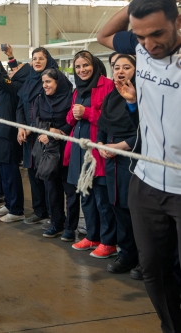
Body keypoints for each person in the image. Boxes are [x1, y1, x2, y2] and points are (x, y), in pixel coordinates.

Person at [97, 1, 181, 331]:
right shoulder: (138, 47)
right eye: (140, 35)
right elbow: (105, 33)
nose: (149, 44)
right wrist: (133, 6)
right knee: (153, 269)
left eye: (157, 33)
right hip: (145, 182)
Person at [65, 51, 117, 259]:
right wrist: (75, 114)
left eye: (85, 65)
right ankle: (93, 236)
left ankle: (108, 241)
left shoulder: (108, 86)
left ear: (94, 65)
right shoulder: (77, 89)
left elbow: (111, 120)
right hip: (81, 151)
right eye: (78, 67)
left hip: (99, 150)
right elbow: (70, 118)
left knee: (102, 200)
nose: (82, 70)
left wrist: (86, 113)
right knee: (86, 196)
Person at [97, 54, 140, 275]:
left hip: (134, 161)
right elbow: (103, 126)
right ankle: (127, 255)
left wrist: (119, 147)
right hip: (112, 162)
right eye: (116, 68)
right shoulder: (111, 98)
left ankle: (144, 259)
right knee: (119, 209)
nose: (120, 71)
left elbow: (145, 133)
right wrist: (102, 144)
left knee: (137, 212)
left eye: (126, 67)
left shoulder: (141, 97)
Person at [31, 68, 80, 240]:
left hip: (67, 147)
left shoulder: (70, 97)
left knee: (70, 190)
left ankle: (70, 227)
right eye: (43, 82)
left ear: (58, 82)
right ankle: (56, 223)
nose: (45, 85)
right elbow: (35, 120)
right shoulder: (40, 99)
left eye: (48, 82)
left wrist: (60, 133)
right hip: (49, 149)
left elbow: (73, 121)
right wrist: (48, 131)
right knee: (52, 189)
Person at [0, 43, 27, 223]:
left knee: (10, 173)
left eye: (16, 69)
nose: (12, 70)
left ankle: (17, 209)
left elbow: (0, 77)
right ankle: (10, 204)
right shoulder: (10, 87)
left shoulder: (17, 87)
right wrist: (9, 56)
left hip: (8, 135)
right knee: (3, 173)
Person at [16, 47, 57, 225]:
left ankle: (53, 214)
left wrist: (32, 127)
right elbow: (20, 106)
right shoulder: (29, 81)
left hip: (46, 135)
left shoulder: (54, 80)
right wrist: (20, 127)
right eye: (34, 58)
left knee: (48, 175)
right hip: (28, 136)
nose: (37, 61)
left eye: (41, 58)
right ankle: (39, 211)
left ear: (48, 60)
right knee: (33, 173)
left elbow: (51, 112)